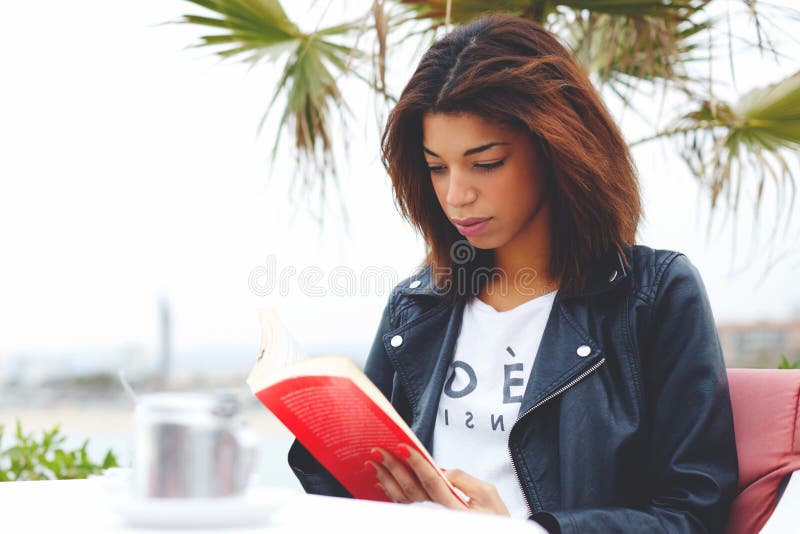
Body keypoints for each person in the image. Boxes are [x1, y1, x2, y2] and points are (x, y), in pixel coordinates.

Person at [288, 13, 739, 533]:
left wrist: (525, 530)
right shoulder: (414, 309)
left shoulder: (654, 296)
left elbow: (693, 515)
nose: (456, 194)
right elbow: (360, 496)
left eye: (486, 163)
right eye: (437, 167)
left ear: (557, 150)